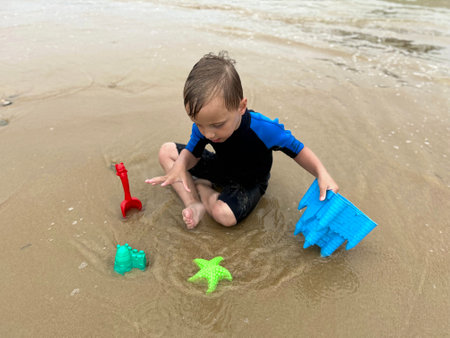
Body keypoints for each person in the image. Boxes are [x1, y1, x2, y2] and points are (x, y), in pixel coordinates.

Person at [146, 51, 338, 229]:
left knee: (224, 216)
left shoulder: (264, 128)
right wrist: (180, 165)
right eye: (199, 124)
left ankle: (203, 188)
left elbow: (297, 149)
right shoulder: (203, 126)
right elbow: (192, 154)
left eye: (218, 125)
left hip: (249, 182)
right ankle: (193, 204)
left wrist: (321, 173)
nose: (208, 134)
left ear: (241, 106)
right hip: (220, 168)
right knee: (166, 151)